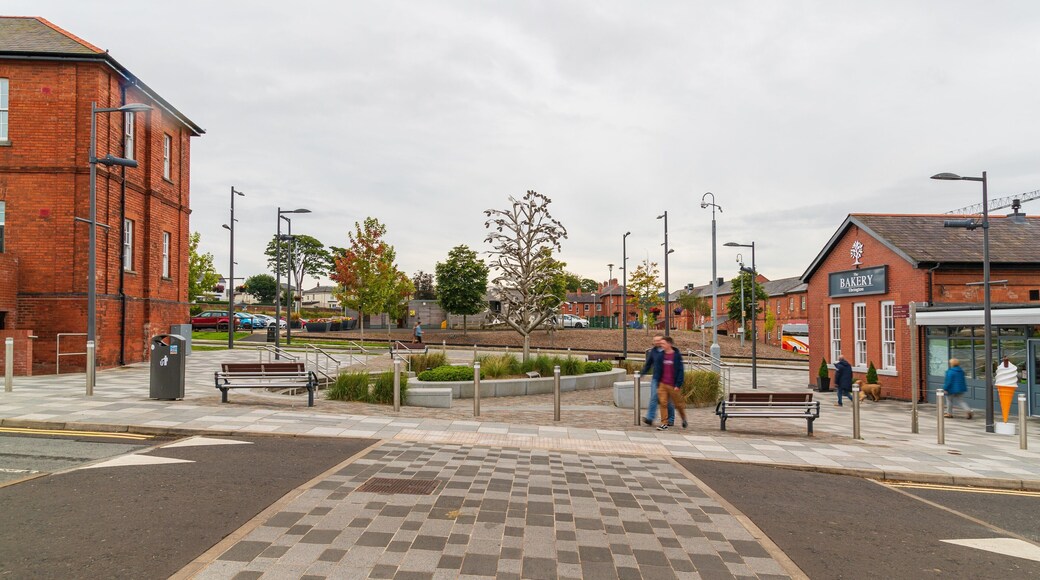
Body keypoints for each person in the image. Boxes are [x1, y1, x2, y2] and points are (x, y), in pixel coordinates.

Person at [640, 335, 687, 430]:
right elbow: (653, 366)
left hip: (672, 384)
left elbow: (680, 370)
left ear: (669, 344)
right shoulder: (659, 354)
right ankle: (662, 422)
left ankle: (681, 419)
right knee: (662, 402)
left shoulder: (676, 355)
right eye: (658, 342)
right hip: (661, 382)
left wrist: (678, 384)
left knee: (677, 404)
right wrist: (643, 374)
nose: (660, 344)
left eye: (662, 343)